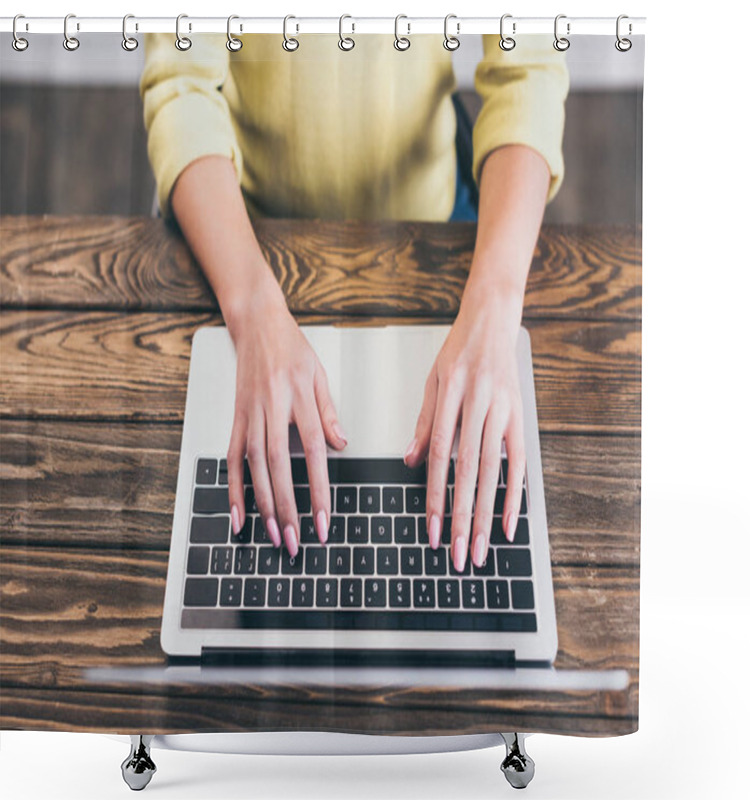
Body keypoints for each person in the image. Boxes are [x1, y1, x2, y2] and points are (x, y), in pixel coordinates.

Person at [140, 31, 568, 574]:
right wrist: (250, 305)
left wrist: (498, 298)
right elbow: (181, 85)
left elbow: (527, 70)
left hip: (435, 230)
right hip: (247, 235)